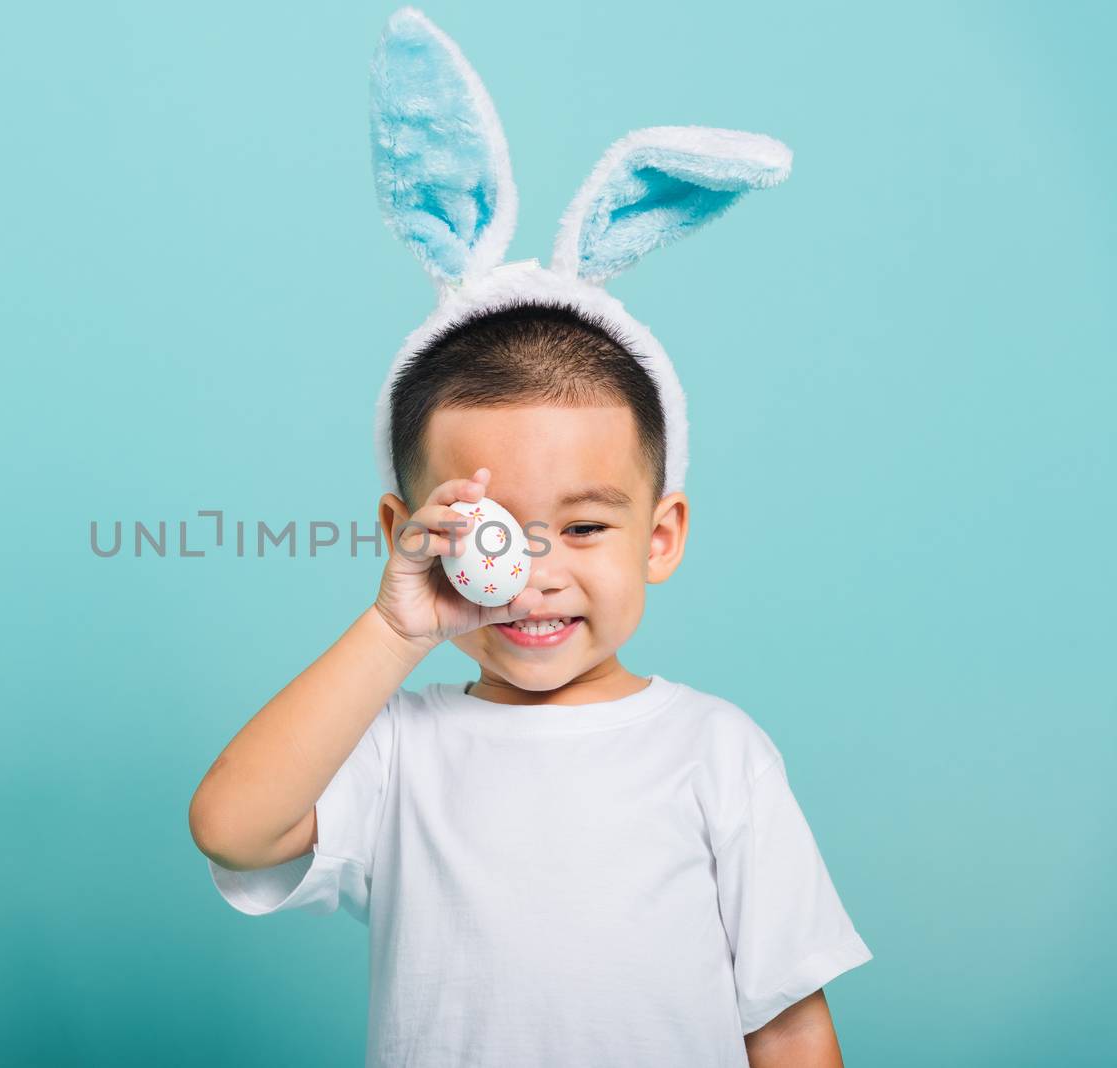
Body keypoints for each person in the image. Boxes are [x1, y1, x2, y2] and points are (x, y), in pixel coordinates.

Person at [189, 9, 872, 1065]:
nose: (535, 574)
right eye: (491, 530)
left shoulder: (714, 752)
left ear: (661, 534)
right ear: (409, 535)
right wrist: (392, 628)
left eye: (586, 526)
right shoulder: (399, 750)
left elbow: (783, 1020)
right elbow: (233, 827)